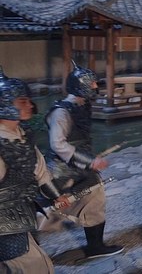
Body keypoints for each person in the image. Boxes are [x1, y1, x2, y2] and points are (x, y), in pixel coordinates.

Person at [42, 61, 123, 258]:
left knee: (95, 199)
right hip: (62, 169)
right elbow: (58, 144)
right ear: (80, 86)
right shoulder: (62, 112)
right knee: (45, 211)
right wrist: (89, 161)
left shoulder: (82, 104)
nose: (95, 87)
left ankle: (95, 247)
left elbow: (79, 139)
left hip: (82, 166)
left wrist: (89, 160)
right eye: (91, 84)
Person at [0, 68, 70, 273]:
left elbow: (39, 170)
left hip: (20, 214)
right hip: (5, 222)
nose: (30, 105)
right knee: (36, 266)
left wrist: (56, 195)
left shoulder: (22, 134)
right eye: (23, 101)